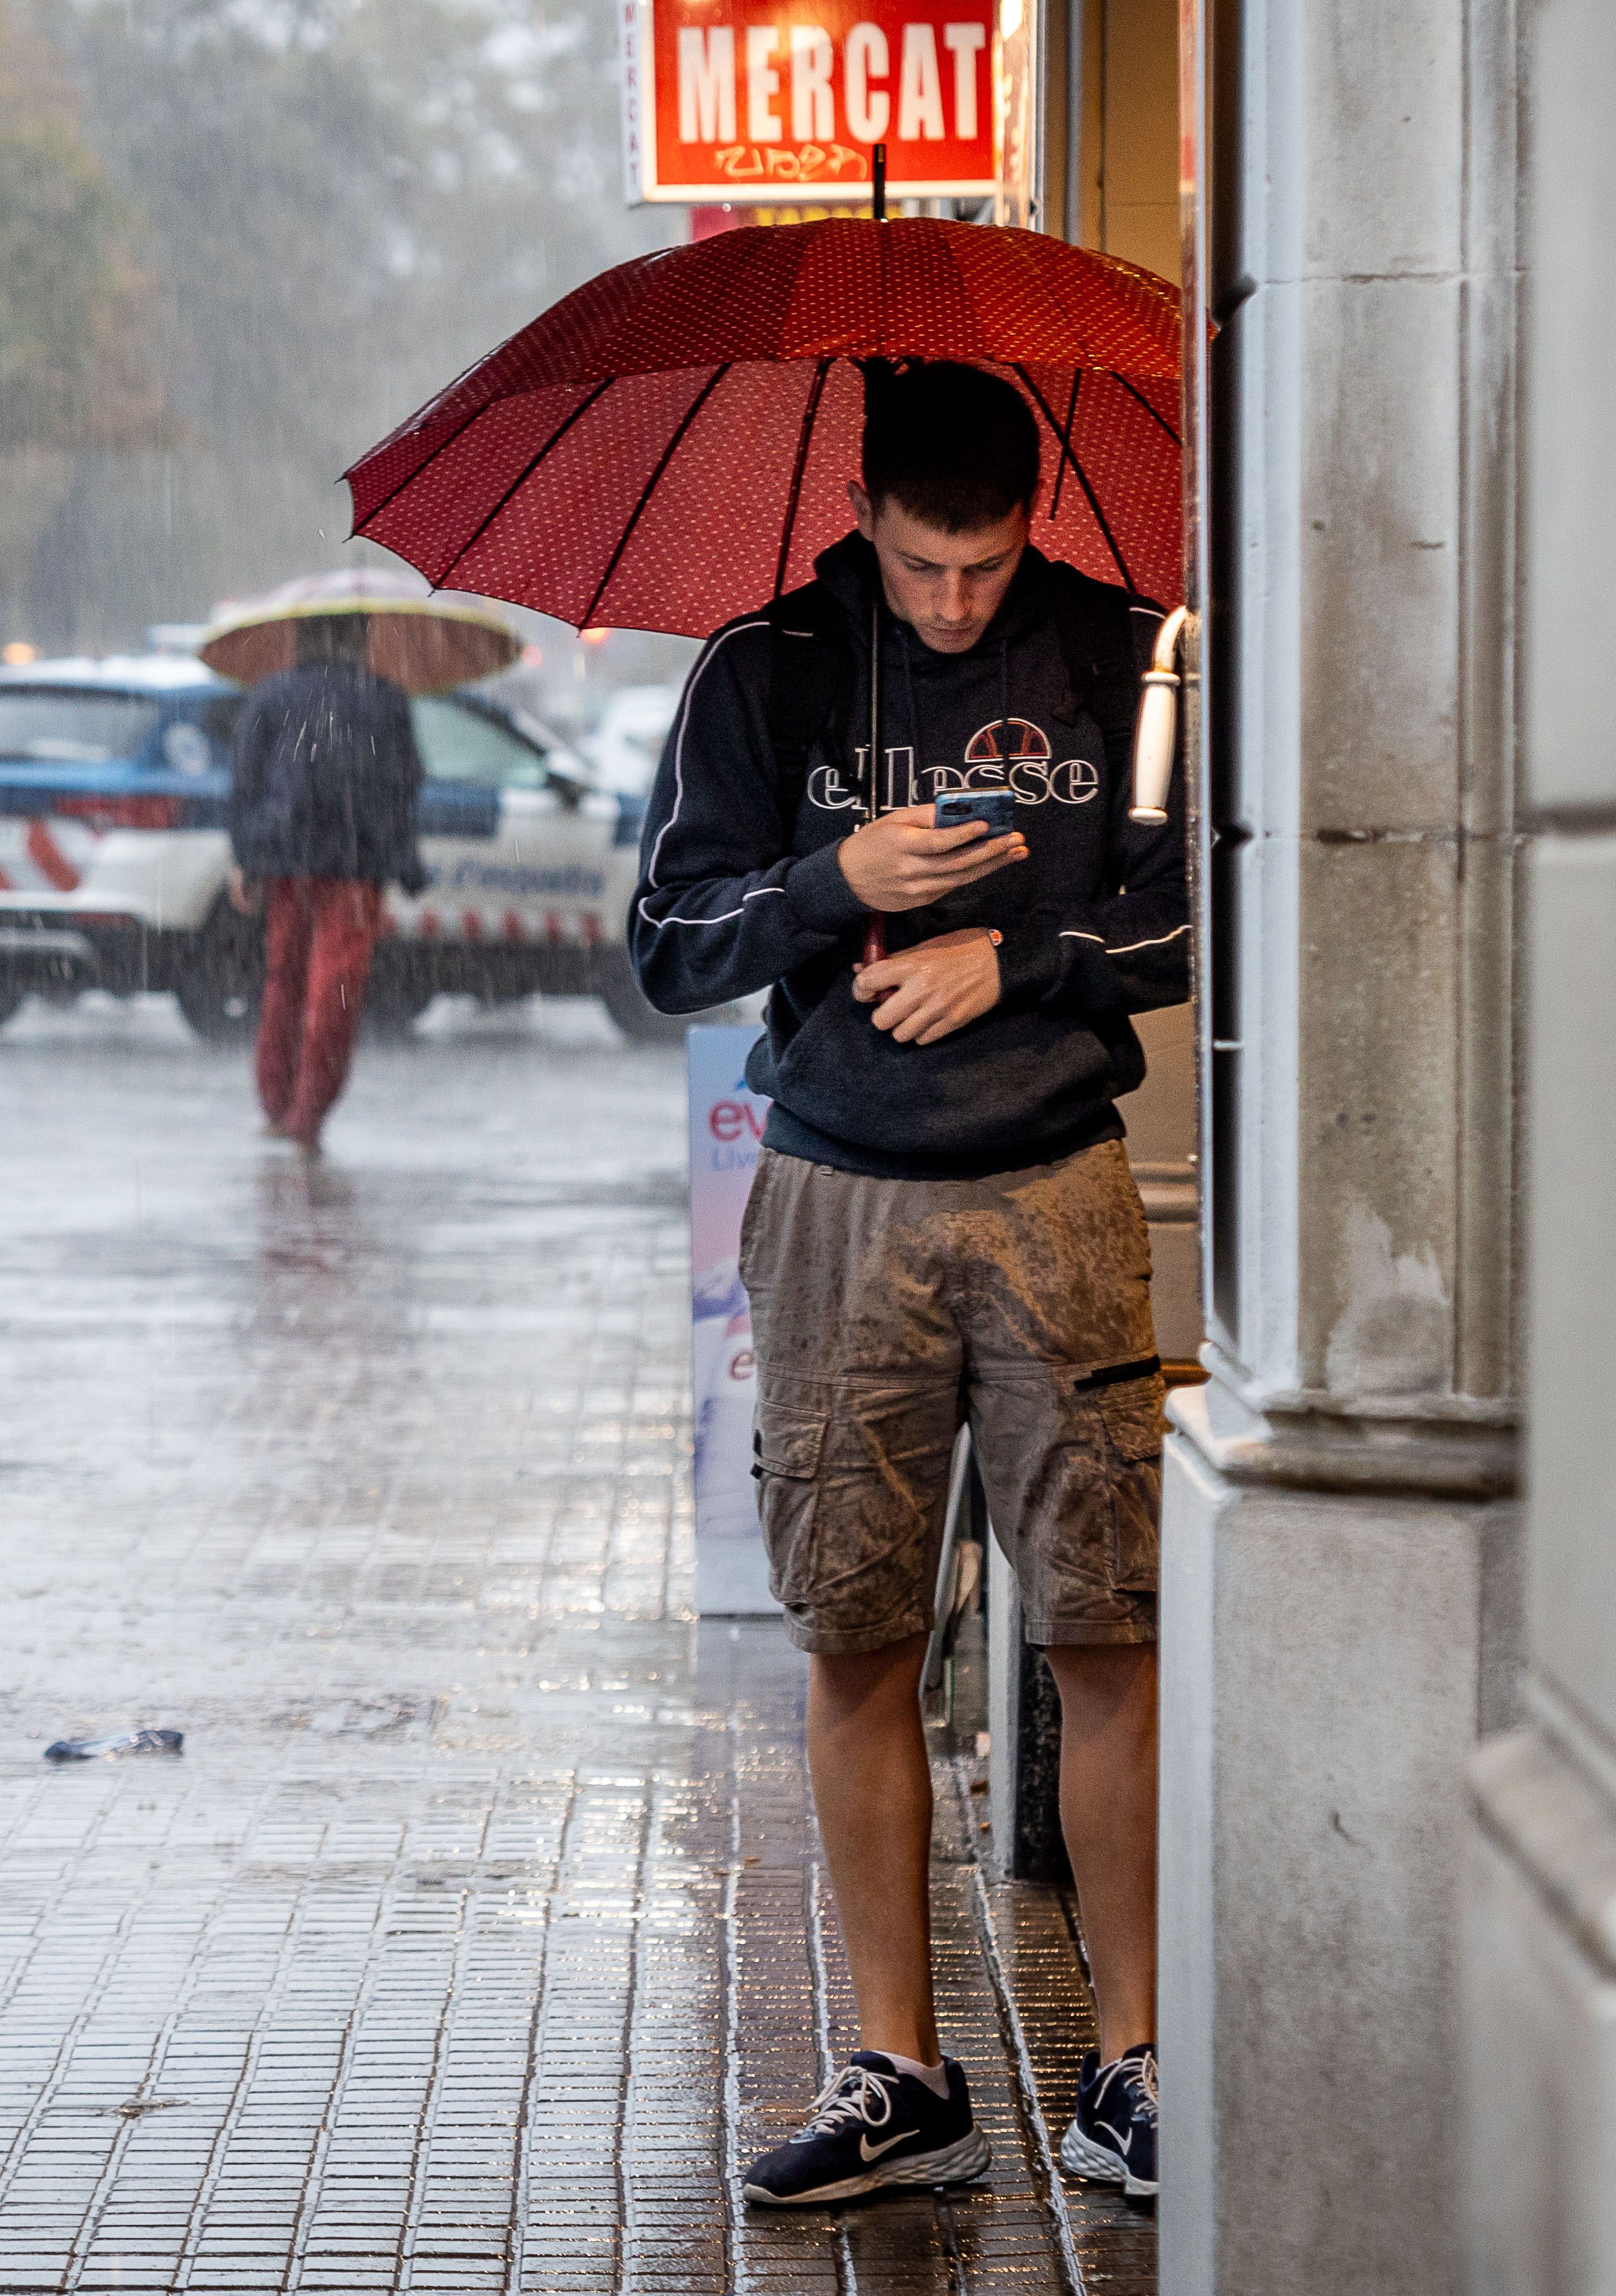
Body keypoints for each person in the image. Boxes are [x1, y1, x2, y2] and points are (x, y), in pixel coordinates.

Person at [630, 359, 1187, 2207]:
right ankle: (900, 2069)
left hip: (1058, 1186)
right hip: (837, 1194)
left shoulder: (1129, 655)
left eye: (989, 560)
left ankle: (1137, 2064)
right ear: (865, 512)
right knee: (855, 1631)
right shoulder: (767, 665)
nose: (958, 599)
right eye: (926, 563)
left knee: (1109, 1627)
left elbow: (1210, 901)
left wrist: (1017, 957)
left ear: (1031, 516)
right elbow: (666, 945)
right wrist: (832, 876)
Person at [223, 613, 428, 1146]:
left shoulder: (272, 694)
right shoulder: (384, 699)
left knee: (284, 977)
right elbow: (405, 784)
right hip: (356, 865)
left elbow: (245, 778)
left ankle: (275, 1103)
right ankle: (310, 1111)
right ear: (360, 639)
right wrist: (404, 859)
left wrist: (246, 858)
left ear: (300, 637)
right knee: (336, 987)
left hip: (287, 859)